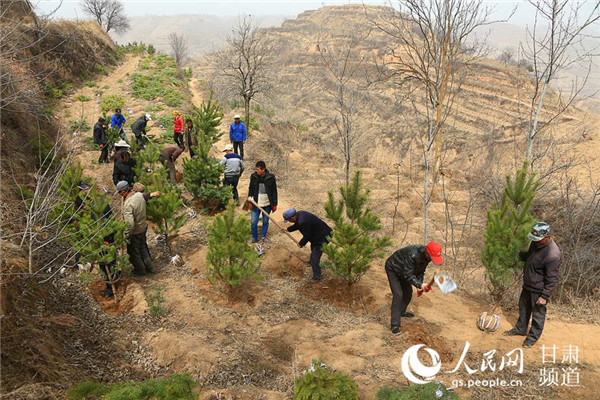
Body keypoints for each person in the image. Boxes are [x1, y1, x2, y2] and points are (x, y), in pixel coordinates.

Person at [503, 222, 561, 348]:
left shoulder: (552, 254)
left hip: (539, 290)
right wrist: (514, 253)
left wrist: (544, 296)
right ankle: (520, 329)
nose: (535, 241)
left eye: (537, 239)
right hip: (527, 285)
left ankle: (532, 337)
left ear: (547, 237)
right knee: (523, 308)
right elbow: (529, 257)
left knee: (537, 315)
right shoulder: (536, 243)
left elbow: (552, 279)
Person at [384, 241, 444, 335]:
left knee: (408, 293)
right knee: (398, 295)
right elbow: (408, 275)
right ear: (427, 253)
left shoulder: (426, 257)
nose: (432, 260)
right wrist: (420, 285)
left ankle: (401, 312)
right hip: (393, 268)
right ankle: (394, 325)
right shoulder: (412, 255)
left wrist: (419, 285)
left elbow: (420, 271)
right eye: (432, 257)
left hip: (405, 270)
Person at [116, 181, 160, 276]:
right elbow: (146, 196)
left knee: (133, 252)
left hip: (135, 231)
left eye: (119, 192)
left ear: (123, 191)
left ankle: (140, 271)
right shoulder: (139, 195)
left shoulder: (128, 205)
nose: (119, 194)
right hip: (143, 227)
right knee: (143, 248)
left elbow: (130, 224)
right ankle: (150, 268)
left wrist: (127, 234)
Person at [282, 208, 332, 283]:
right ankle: (312, 262)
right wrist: (287, 229)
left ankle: (317, 277)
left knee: (315, 257)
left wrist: (301, 243)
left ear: (293, 217)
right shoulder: (300, 214)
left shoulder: (303, 221)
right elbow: (297, 225)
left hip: (323, 237)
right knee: (313, 249)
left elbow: (307, 236)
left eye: (289, 220)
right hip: (317, 235)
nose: (289, 221)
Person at [247, 160, 277, 243]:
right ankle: (254, 238)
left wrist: (274, 204)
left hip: (267, 204)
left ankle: (264, 237)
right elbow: (250, 189)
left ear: (263, 169)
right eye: (256, 169)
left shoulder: (271, 178)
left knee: (265, 221)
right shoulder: (253, 176)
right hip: (255, 203)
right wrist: (249, 202)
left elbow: (274, 191)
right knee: (253, 222)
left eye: (258, 169)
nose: (256, 171)